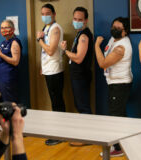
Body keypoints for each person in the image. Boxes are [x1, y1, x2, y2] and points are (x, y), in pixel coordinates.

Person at [95, 17, 132, 157]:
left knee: (116, 117)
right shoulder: (113, 39)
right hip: (113, 83)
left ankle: (119, 147)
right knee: (119, 115)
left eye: (118, 28)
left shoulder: (122, 47)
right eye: (113, 27)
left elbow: (103, 63)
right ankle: (123, 144)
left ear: (125, 31)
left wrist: (96, 46)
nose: (114, 30)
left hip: (120, 85)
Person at [60, 6, 94, 147]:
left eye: (80, 19)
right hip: (78, 75)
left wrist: (65, 51)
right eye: (75, 19)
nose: (77, 21)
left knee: (83, 107)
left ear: (86, 21)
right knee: (80, 105)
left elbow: (79, 58)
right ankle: (85, 136)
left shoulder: (84, 36)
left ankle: (87, 138)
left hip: (81, 76)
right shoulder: (80, 34)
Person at [36, 3, 65, 146]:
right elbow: (45, 52)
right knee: (55, 102)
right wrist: (43, 67)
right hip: (48, 69)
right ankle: (58, 132)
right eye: (42, 14)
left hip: (55, 70)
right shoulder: (46, 28)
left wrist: (39, 40)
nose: (45, 16)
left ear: (54, 14)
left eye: (47, 13)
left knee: (57, 103)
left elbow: (51, 50)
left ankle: (60, 134)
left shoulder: (55, 28)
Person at [0, 19, 22, 103]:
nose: (3, 30)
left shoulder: (14, 42)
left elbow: (15, 61)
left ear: (12, 29)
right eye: (2, 28)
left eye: (6, 27)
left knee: (9, 103)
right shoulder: (2, 42)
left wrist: (0, 54)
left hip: (8, 78)